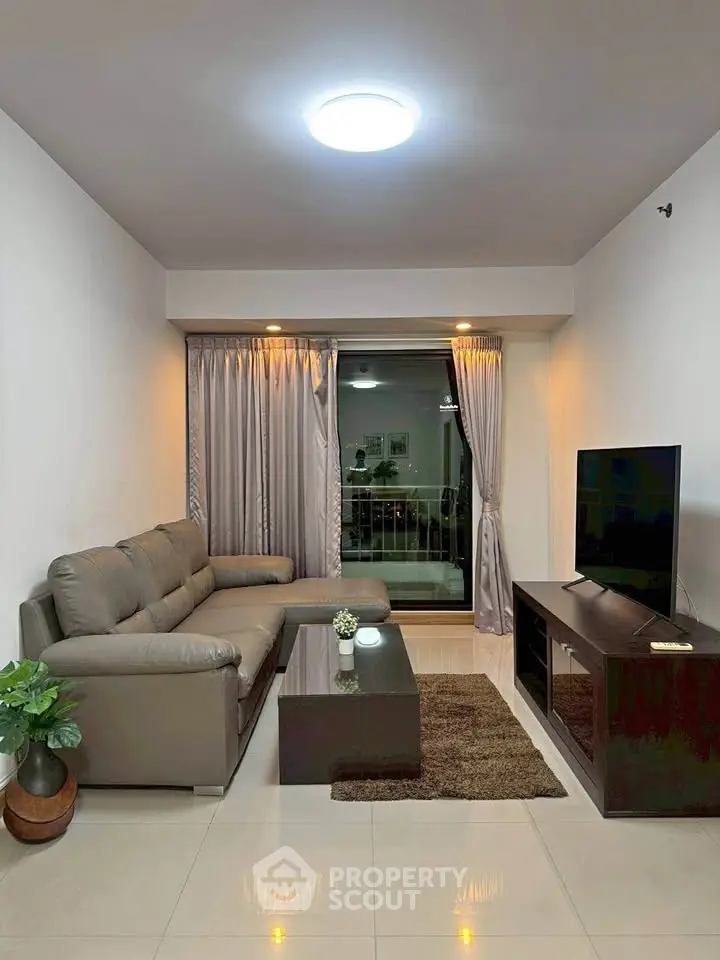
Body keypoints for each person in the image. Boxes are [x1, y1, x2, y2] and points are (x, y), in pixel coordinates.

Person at [347, 450, 373, 545]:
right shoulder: (353, 468)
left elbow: (370, 479)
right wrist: (354, 470)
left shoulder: (368, 467)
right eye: (359, 457)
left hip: (366, 494)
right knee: (355, 515)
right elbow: (348, 479)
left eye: (362, 457)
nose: (361, 458)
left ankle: (367, 535)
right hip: (356, 494)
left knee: (366, 515)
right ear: (356, 457)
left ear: (364, 458)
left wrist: (364, 470)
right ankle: (355, 533)